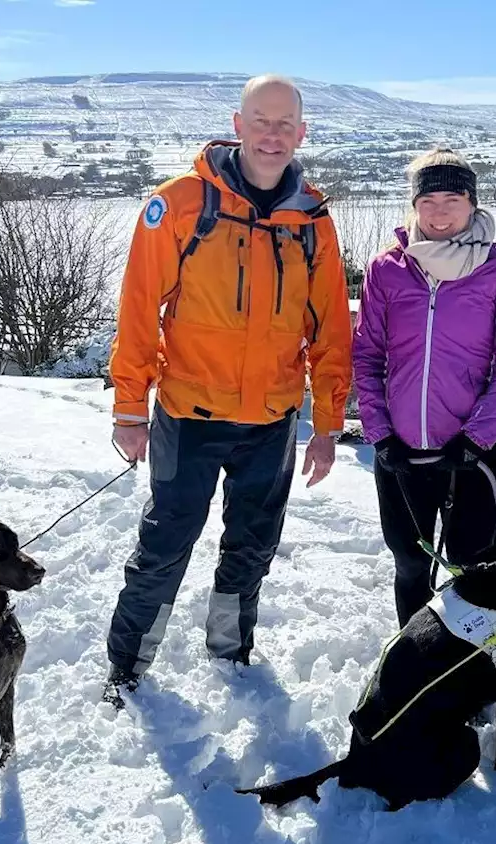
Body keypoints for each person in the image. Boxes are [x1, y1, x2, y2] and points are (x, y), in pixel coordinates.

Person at [102, 75, 352, 709]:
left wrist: (327, 423)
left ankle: (228, 648)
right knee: (164, 544)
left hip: (271, 420)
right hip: (189, 415)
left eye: (285, 124)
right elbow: (138, 311)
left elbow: (329, 329)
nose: (272, 135)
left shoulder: (313, 220)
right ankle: (128, 662)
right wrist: (130, 406)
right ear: (237, 125)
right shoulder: (181, 203)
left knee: (252, 545)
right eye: (260, 121)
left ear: (301, 133)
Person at [352, 147, 496, 627]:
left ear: (473, 203)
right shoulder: (386, 268)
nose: (439, 212)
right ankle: (414, 661)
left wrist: (478, 436)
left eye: (452, 199)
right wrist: (379, 432)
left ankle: (470, 670)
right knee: (411, 565)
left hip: (469, 453)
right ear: (413, 205)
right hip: (400, 453)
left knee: (474, 567)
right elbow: (367, 354)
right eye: (427, 200)